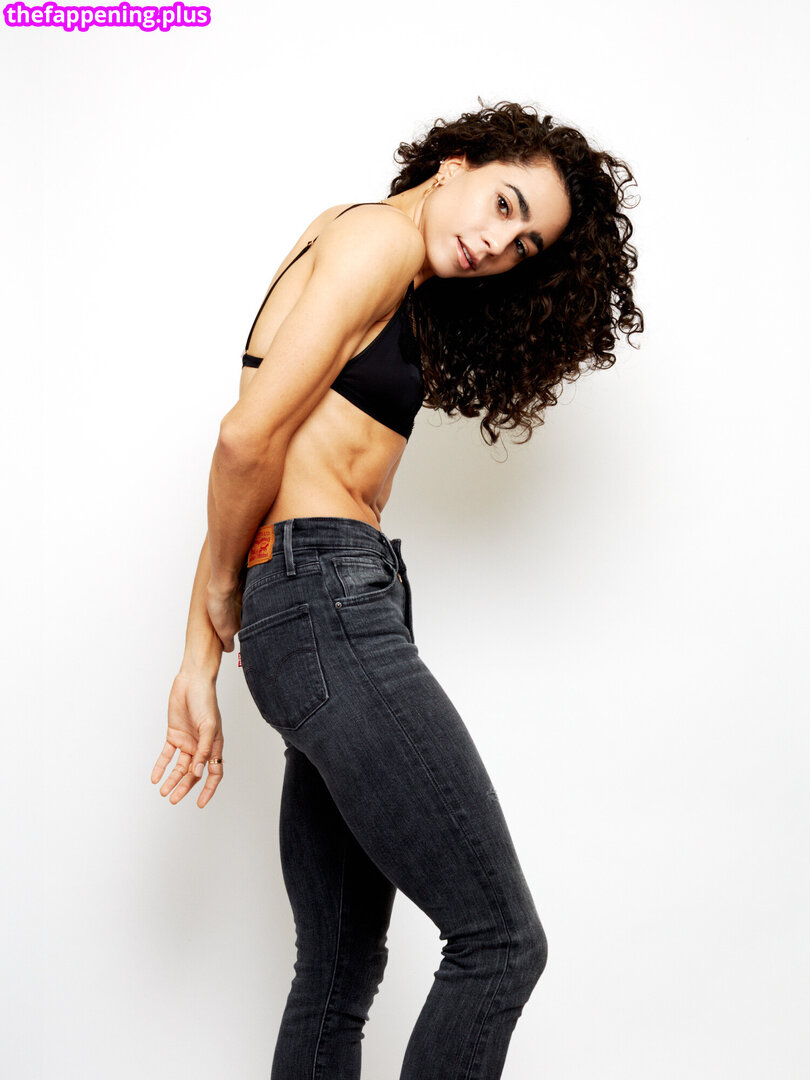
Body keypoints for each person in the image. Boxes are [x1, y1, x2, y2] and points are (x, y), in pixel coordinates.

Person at [151, 99, 643, 1080]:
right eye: (504, 203)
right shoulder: (378, 238)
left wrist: (204, 656)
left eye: (524, 243)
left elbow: (269, 455)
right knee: (502, 943)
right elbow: (246, 438)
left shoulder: (352, 240)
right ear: (454, 162)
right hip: (328, 604)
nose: (498, 243)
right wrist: (213, 605)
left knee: (338, 969)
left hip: (313, 603)